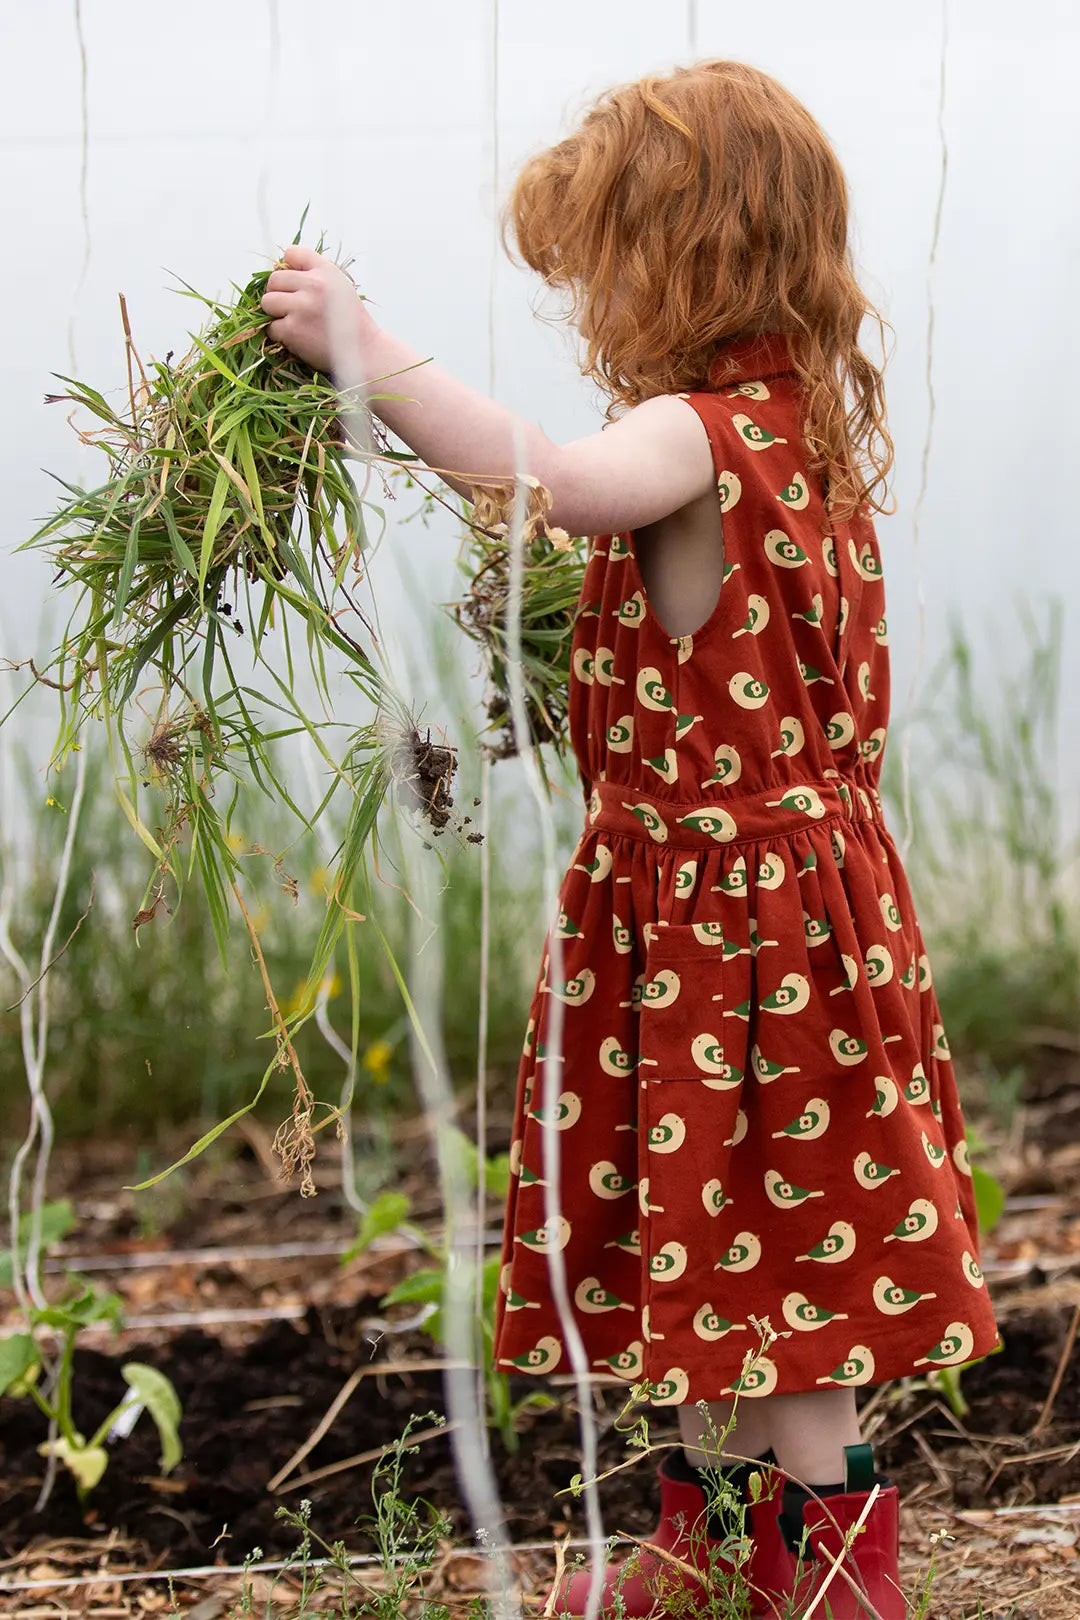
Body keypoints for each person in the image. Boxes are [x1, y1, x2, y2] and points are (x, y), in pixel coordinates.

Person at [262, 57, 1001, 1620]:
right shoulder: (801, 431)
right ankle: (708, 1543)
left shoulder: (696, 434)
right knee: (695, 1230)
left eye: (599, 264)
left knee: (771, 1247)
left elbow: (546, 480)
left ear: (684, 252)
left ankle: (829, 1573)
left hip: (740, 926)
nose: (588, 303)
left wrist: (366, 356)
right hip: (746, 905)